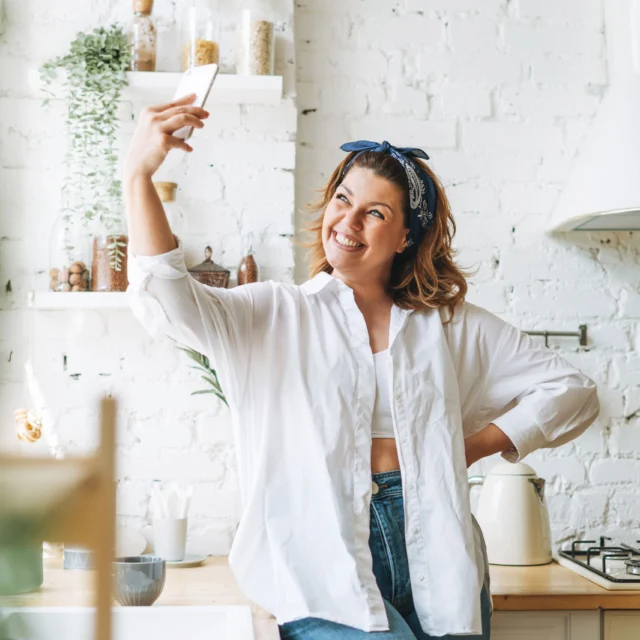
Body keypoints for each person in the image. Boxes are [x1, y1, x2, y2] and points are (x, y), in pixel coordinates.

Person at [124, 94, 600, 640]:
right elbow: (168, 301)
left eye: (375, 212)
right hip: (316, 560)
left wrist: (464, 448)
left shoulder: (448, 326)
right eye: (342, 200)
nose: (348, 221)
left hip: (440, 551)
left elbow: (574, 390)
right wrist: (139, 175)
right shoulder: (274, 313)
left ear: (405, 237)